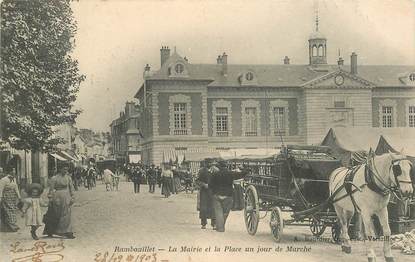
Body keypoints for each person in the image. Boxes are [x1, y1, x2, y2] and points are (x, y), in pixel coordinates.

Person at [209, 160, 247, 232]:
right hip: (228, 195)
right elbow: (241, 174)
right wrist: (245, 169)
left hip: (217, 195)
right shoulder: (231, 173)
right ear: (226, 166)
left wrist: (214, 191)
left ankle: (220, 227)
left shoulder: (215, 174)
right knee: (225, 212)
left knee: (218, 212)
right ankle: (220, 226)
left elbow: (210, 185)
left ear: (219, 167)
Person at [43, 164, 75, 239]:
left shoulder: (68, 178)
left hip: (66, 197)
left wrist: (72, 197)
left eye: (66, 169)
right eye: (64, 169)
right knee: (56, 214)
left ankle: (67, 231)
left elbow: (71, 188)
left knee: (67, 215)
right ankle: (51, 231)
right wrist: (50, 198)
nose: (65, 171)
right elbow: (51, 190)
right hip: (57, 197)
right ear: (60, 169)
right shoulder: (54, 178)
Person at [196, 160, 215, 229]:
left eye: (211, 163)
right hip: (204, 191)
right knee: (203, 208)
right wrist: (203, 184)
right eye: (208, 163)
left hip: (213, 191)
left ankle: (214, 224)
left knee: (213, 207)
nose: (209, 164)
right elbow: (197, 180)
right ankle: (203, 224)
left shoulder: (215, 170)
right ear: (205, 164)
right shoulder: (202, 171)